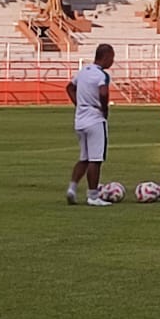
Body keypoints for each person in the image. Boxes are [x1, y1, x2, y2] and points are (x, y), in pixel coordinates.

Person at [66, 43, 115, 206]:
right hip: (95, 119)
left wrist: (78, 103)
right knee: (96, 159)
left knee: (84, 158)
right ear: (106, 56)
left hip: (80, 120)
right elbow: (103, 92)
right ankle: (93, 196)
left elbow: (69, 88)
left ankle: (72, 189)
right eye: (112, 58)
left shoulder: (83, 71)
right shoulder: (102, 75)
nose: (112, 61)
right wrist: (104, 109)